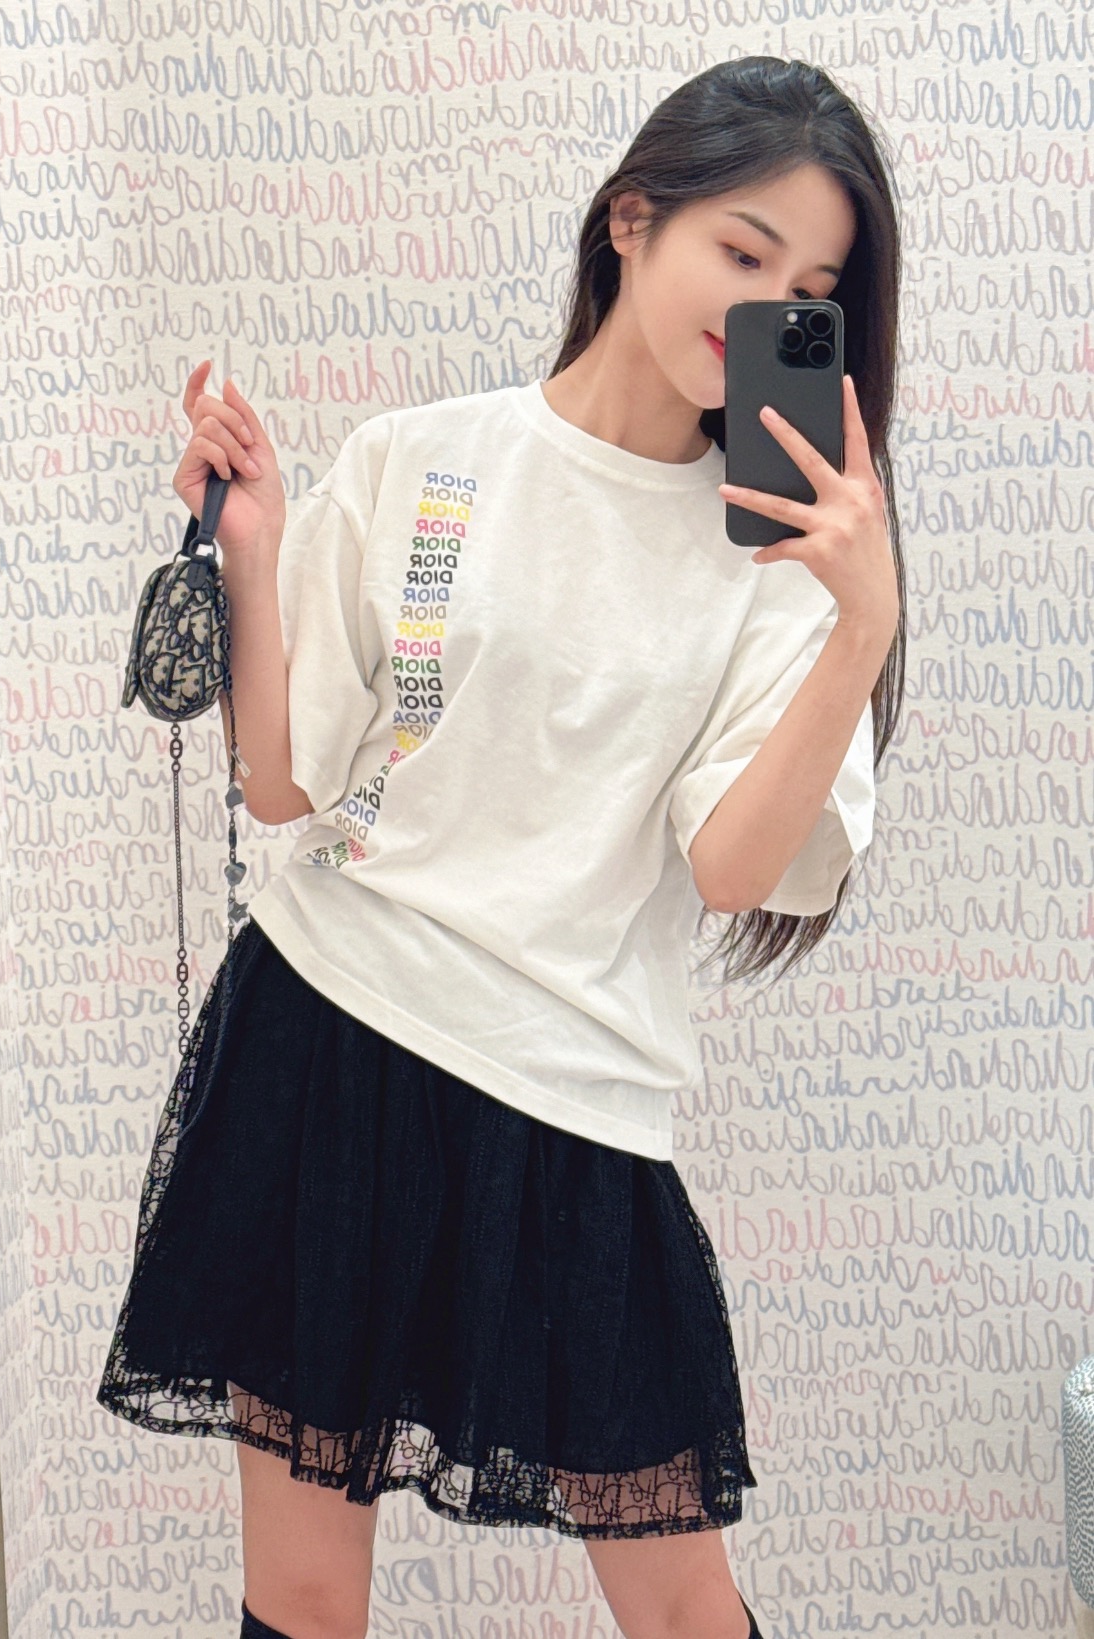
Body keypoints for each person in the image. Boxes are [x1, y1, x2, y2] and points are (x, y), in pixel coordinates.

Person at [96, 54, 904, 1639]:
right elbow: (285, 783)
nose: (766, 308)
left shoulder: (779, 563)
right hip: (328, 1040)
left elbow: (733, 869)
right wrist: (256, 547)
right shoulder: (428, 458)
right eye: (740, 252)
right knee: (302, 1595)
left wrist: (858, 623)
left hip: (569, 1101)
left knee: (683, 1606)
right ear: (631, 222)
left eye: (808, 292)